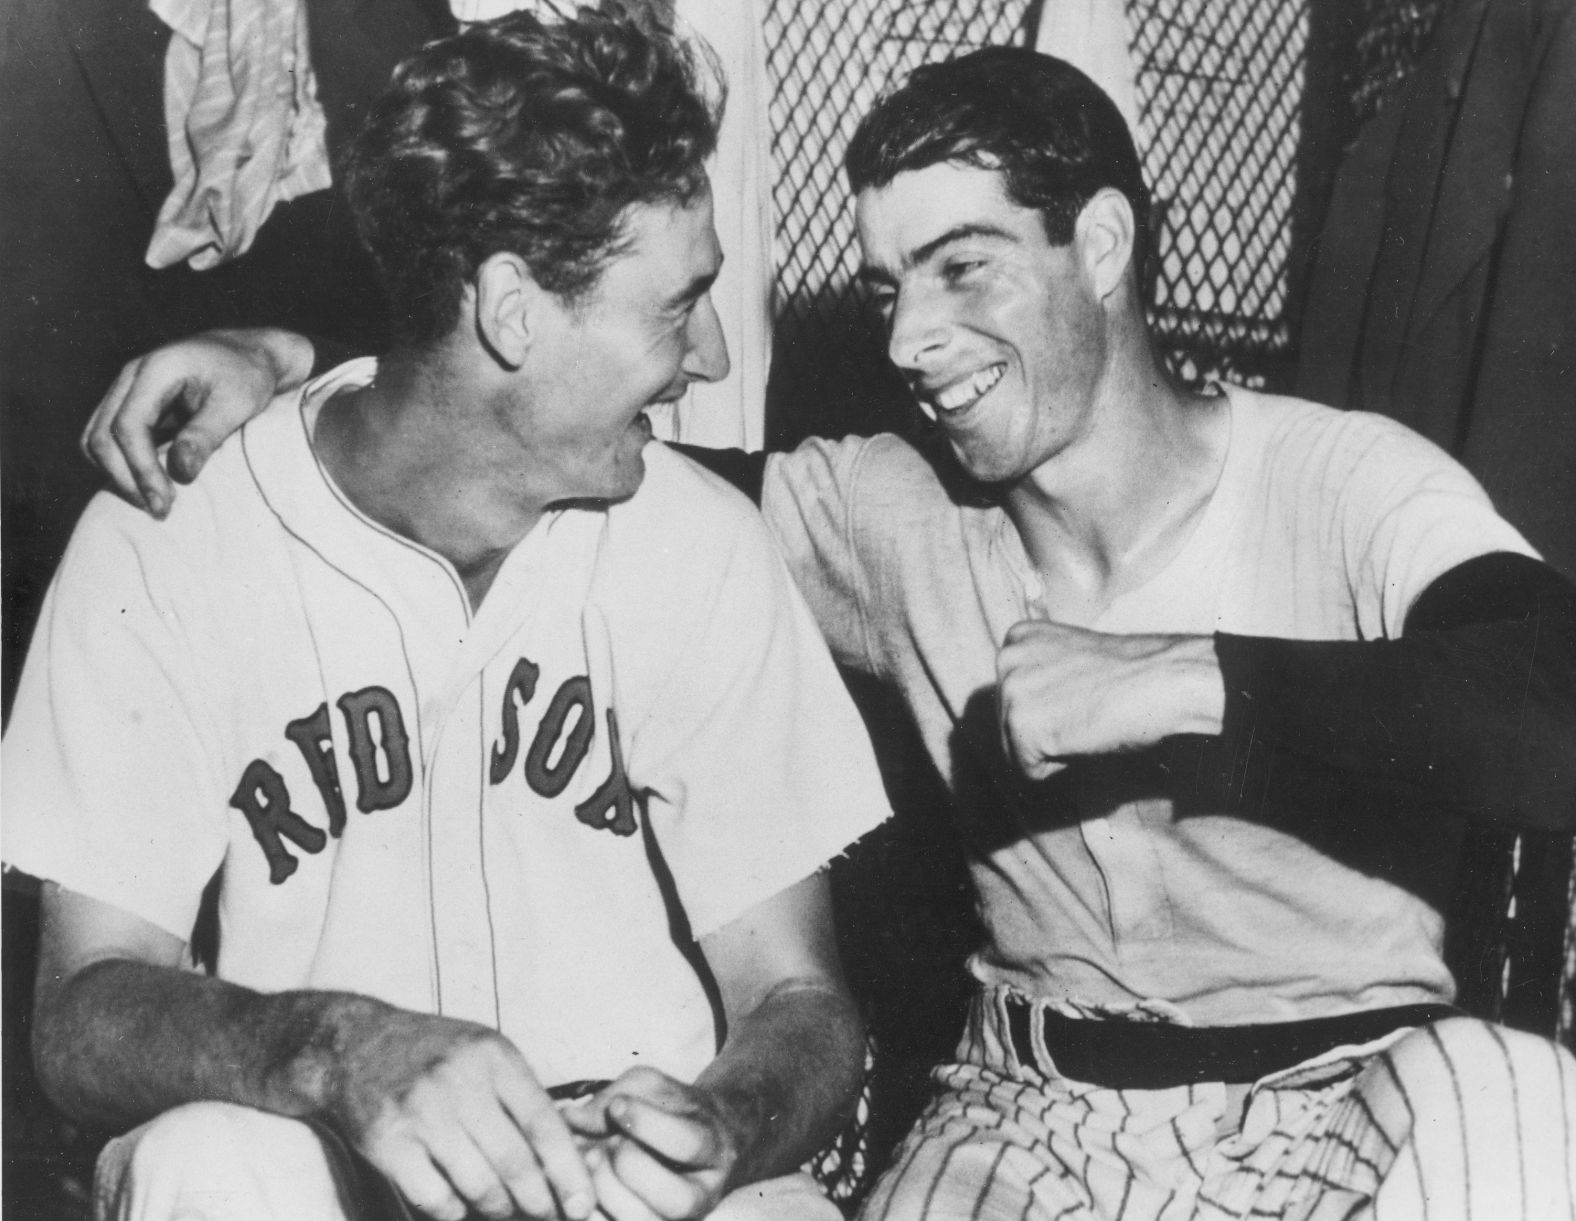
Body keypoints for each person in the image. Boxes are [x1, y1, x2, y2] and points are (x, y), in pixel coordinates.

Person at [76, 44, 1576, 1221]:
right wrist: (281, 349)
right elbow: (521, 426)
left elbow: (1554, 690)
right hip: (1035, 1122)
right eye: (887, 285)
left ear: (1104, 242)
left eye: (965, 265)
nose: (913, 339)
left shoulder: (1342, 480)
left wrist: (1197, 681)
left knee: (1520, 1101)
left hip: (1346, 1080)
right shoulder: (881, 512)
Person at [2, 10, 896, 1221]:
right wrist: (335, 1051)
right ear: (513, 311)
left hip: (611, 1171)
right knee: (206, 1165)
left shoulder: (700, 544)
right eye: (679, 306)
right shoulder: (171, 535)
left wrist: (722, 1125)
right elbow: (83, 1007)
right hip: (321, 1146)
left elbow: (798, 999)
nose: (715, 359)